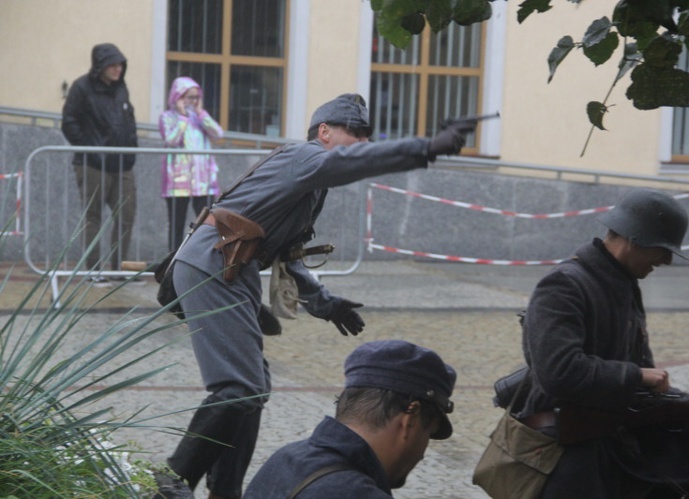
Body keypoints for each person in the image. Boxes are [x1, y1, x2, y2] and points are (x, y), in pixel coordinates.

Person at [153, 93, 476, 499]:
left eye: (366, 135)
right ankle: (170, 482)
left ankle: (226, 490)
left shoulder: (310, 185)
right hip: (214, 262)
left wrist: (325, 303)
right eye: (353, 133)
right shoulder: (303, 157)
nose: (361, 142)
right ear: (323, 132)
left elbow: (290, 257)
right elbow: (345, 164)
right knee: (240, 388)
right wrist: (425, 147)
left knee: (253, 387)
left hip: (230, 267)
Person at [516, 188, 689, 498]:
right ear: (634, 238)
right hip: (565, 443)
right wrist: (637, 376)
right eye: (663, 249)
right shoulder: (563, 284)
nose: (667, 260)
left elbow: (647, 386)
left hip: (617, 433)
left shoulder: (624, 286)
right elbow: (559, 373)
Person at [243, 339, 457, 498]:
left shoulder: (286, 458)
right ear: (409, 419)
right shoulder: (356, 493)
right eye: (428, 434)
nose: (421, 455)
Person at [62, 42, 138, 285]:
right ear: (101, 65)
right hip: (92, 164)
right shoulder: (81, 87)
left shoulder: (121, 88)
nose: (118, 69)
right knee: (93, 216)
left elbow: (129, 118)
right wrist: (90, 149)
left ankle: (118, 268)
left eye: (120, 65)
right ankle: (94, 269)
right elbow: (69, 121)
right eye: (113, 64)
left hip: (122, 164)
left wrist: (132, 148)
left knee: (126, 215)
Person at [159, 76, 223, 251]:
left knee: (207, 224)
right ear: (178, 97)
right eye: (189, 97)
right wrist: (183, 117)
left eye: (196, 97)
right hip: (177, 183)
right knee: (176, 224)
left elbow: (218, 133)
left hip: (203, 182)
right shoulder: (167, 117)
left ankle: (205, 258)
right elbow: (171, 140)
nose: (193, 101)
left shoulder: (200, 117)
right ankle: (172, 262)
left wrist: (201, 113)